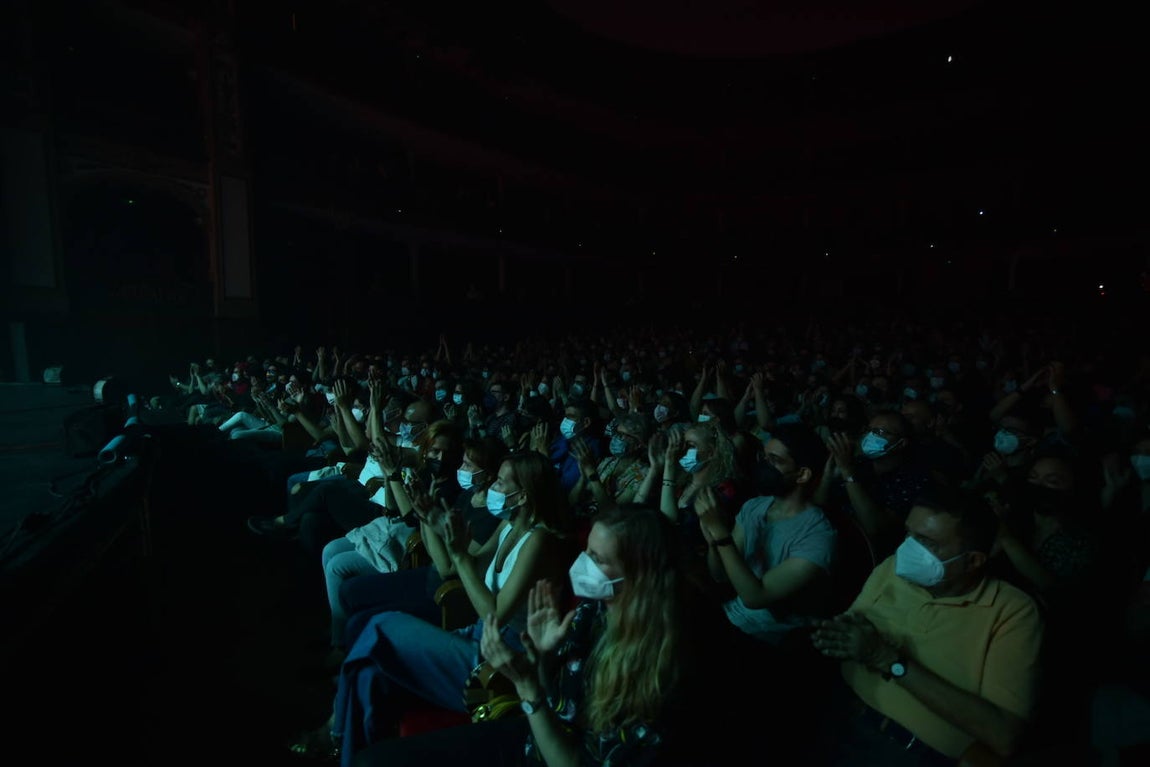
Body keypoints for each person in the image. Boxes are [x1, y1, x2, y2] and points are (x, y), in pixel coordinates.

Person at [348, 504, 713, 767]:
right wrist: (542, 656)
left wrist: (528, 689)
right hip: (534, 728)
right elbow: (556, 695)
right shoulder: (594, 610)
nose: (582, 565)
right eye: (586, 552)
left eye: (598, 559)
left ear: (640, 576)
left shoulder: (657, 671)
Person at [289, 450, 574, 765]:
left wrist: (461, 556)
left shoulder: (540, 540)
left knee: (381, 624)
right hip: (477, 637)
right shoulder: (509, 526)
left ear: (524, 495)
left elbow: (493, 613)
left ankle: (333, 731)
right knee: (371, 674)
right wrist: (437, 525)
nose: (493, 486)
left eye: (502, 482)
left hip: (501, 660)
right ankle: (344, 749)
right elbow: (471, 563)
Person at [809, 484, 1045, 765]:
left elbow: (1003, 735)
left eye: (927, 542)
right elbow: (850, 630)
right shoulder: (893, 566)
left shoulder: (1013, 612)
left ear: (972, 561)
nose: (907, 548)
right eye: (909, 533)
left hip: (904, 750)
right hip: (839, 711)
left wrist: (888, 659)